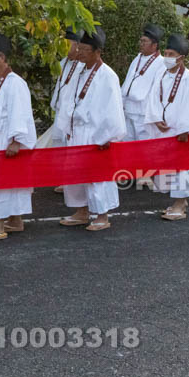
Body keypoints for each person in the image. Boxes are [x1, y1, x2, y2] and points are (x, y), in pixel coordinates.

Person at [56, 27, 127, 231]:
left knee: (97, 176)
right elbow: (68, 99)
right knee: (76, 174)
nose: (79, 52)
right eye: (79, 47)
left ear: (97, 52)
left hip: (96, 134)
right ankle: (81, 211)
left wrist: (109, 137)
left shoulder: (107, 76)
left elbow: (113, 108)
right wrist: (67, 123)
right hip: (77, 131)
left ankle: (102, 215)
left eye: (85, 49)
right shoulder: (78, 71)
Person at [0, 31, 38, 242]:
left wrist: (16, 140)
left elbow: (19, 113)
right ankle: (15, 219)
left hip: (7, 142)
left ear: (2, 58)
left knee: (3, 181)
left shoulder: (15, 83)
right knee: (4, 181)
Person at [144, 33, 189, 220]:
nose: (167, 57)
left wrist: (184, 130)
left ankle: (180, 203)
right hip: (162, 130)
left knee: (182, 167)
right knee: (165, 168)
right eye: (166, 53)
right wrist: (156, 119)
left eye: (171, 54)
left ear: (181, 58)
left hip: (179, 132)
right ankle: (179, 201)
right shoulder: (161, 75)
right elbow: (153, 98)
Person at [121, 24, 166, 142]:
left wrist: (155, 115)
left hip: (143, 113)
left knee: (143, 148)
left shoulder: (161, 63)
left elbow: (157, 91)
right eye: (141, 41)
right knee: (128, 146)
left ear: (154, 45)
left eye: (145, 41)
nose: (141, 44)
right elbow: (127, 82)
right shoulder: (137, 58)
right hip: (129, 110)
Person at [49, 28, 80, 194]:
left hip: (71, 112)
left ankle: (71, 179)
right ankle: (61, 177)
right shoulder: (62, 63)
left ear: (77, 46)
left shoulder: (82, 66)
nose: (65, 48)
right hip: (60, 109)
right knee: (59, 143)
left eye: (68, 45)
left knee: (69, 145)